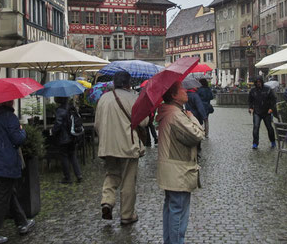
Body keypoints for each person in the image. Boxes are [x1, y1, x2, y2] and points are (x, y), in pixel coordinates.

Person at [94, 71, 148, 225]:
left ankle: (107, 202)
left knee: (111, 174)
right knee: (128, 181)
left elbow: (97, 124)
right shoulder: (132, 98)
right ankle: (127, 214)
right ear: (128, 83)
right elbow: (143, 122)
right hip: (127, 146)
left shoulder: (103, 98)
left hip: (107, 146)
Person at [156, 82, 204, 244]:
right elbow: (196, 135)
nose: (186, 91)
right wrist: (192, 118)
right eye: (182, 89)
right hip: (179, 170)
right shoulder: (175, 115)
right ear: (174, 95)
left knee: (171, 208)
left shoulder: (170, 112)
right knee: (178, 211)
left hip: (172, 169)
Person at [0, 100, 34, 244]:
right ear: (8, 103)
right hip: (5, 161)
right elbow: (18, 139)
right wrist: (22, 130)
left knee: (8, 192)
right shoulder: (9, 117)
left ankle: (22, 222)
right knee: (3, 197)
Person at [51, 97, 82, 184]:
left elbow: (58, 124)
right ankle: (78, 174)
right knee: (72, 155)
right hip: (73, 136)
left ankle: (67, 177)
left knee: (64, 156)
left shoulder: (60, 110)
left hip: (64, 138)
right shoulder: (71, 108)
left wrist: (53, 131)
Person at [248, 77, 276, 149]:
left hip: (266, 112)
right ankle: (255, 143)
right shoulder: (253, 91)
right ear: (255, 83)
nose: (258, 83)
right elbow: (250, 101)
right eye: (257, 82)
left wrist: (271, 109)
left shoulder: (267, 89)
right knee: (256, 127)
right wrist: (250, 108)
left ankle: (273, 141)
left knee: (269, 127)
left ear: (262, 82)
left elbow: (273, 100)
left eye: (259, 81)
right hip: (257, 112)